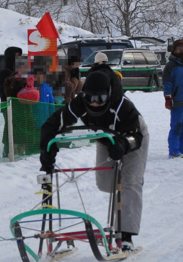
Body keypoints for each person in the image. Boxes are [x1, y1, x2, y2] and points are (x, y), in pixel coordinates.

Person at [39, 70, 149, 251]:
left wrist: (123, 146)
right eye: (90, 98)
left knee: (129, 183)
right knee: (106, 184)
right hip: (106, 138)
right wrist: (47, 148)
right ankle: (127, 188)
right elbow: (52, 124)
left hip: (132, 138)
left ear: (109, 94)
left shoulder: (122, 106)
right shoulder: (79, 103)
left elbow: (135, 137)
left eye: (101, 97)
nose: (96, 103)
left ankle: (126, 236)